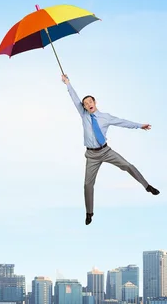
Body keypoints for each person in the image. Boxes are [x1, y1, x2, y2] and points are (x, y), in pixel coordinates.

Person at [61, 74, 160, 225]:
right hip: (92, 155)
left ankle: (147, 186)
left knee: (128, 165)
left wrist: (140, 125)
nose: (88, 104)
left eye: (90, 101)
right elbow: (74, 98)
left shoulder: (105, 117)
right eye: (85, 103)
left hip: (106, 151)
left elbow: (122, 122)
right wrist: (67, 83)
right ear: (84, 107)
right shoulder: (84, 115)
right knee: (88, 184)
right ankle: (89, 213)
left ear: (95, 102)